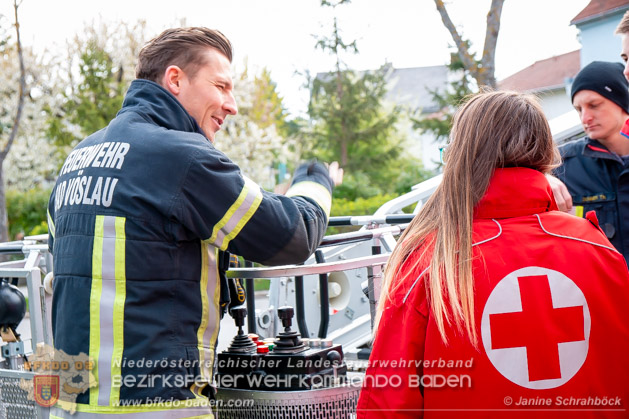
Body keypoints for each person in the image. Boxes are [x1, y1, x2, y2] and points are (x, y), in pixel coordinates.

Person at [46, 27, 341, 418]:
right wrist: (314, 181)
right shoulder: (181, 158)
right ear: (175, 79)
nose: (232, 105)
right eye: (221, 85)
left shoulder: (78, 159)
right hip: (158, 406)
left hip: (69, 406)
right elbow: (294, 235)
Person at [356, 91, 629, 418]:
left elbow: (389, 403)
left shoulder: (429, 260)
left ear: (460, 155)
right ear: (544, 151)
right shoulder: (598, 249)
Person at [550, 61, 629, 264]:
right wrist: (542, 177)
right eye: (578, 109)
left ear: (622, 101)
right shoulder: (561, 164)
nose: (585, 117)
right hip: (601, 292)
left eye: (594, 105)